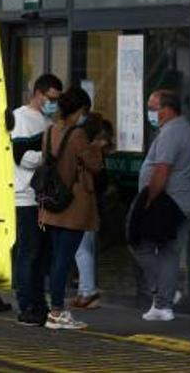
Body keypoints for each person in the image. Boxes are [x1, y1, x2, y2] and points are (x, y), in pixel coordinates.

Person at [38, 88, 104, 330]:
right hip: (73, 206)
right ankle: (57, 312)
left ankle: (55, 310)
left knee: (58, 258)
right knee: (63, 261)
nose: (84, 116)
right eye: (84, 111)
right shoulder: (77, 135)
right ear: (78, 111)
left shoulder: (49, 131)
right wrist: (97, 146)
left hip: (53, 203)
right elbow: (94, 165)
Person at [133, 89, 190, 322]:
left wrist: (148, 201)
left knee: (140, 242)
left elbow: (162, 170)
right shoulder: (180, 130)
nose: (150, 113)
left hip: (172, 202)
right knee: (167, 252)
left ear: (168, 109)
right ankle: (163, 301)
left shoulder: (172, 133)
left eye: (153, 108)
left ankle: (165, 295)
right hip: (183, 202)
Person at [9, 74, 62, 325]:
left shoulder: (46, 120)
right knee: (28, 252)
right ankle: (27, 304)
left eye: (56, 100)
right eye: (50, 98)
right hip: (24, 197)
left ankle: (38, 304)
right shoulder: (20, 118)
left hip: (40, 198)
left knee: (41, 254)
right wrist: (48, 156)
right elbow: (20, 156)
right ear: (38, 93)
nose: (53, 103)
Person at [69, 115, 112, 310]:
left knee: (81, 249)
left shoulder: (90, 151)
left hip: (85, 203)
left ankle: (88, 291)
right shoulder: (97, 151)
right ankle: (84, 291)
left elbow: (96, 176)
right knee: (87, 247)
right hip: (93, 203)